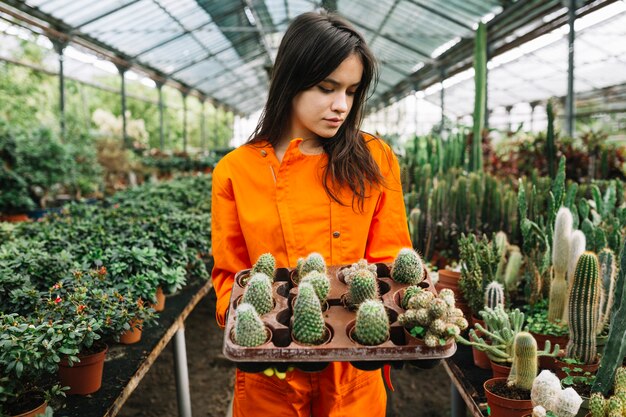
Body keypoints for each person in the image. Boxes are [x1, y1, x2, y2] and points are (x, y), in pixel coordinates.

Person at [211, 10, 411, 417]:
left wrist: (398, 322)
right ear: (291, 79)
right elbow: (229, 276)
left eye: (352, 91)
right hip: (273, 374)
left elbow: (390, 258)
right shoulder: (237, 170)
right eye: (327, 87)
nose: (341, 105)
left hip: (355, 366)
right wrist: (252, 328)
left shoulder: (374, 158)